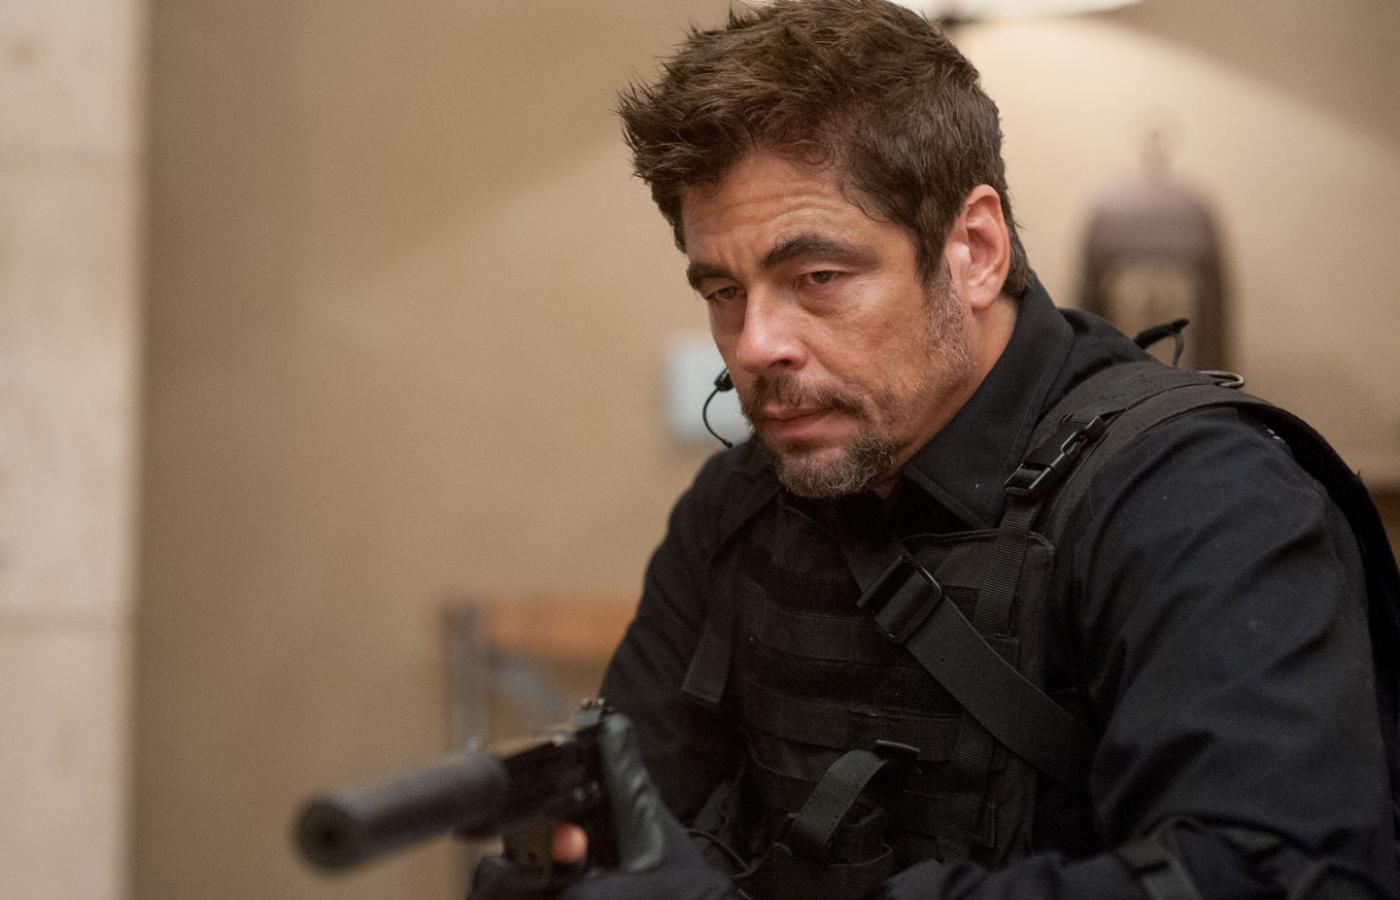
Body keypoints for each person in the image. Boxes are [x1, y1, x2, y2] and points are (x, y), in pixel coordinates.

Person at [474, 0, 1398, 897]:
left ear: (976, 249)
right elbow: (614, 840)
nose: (755, 345)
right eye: (723, 292)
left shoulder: (1202, 501)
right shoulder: (736, 507)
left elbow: (1272, 874)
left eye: (817, 276)